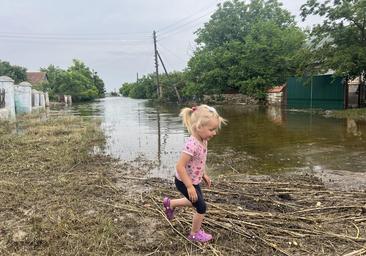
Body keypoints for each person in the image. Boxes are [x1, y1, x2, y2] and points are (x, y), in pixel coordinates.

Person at [163, 104, 227, 243]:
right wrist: (189, 187)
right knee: (201, 207)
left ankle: (170, 203)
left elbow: (199, 162)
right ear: (199, 127)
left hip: (194, 180)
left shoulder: (203, 140)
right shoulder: (192, 144)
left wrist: (203, 174)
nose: (214, 133)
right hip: (184, 181)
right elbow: (180, 166)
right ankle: (194, 234)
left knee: (194, 201)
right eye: (211, 129)